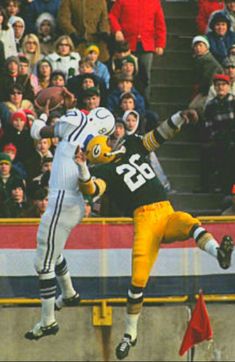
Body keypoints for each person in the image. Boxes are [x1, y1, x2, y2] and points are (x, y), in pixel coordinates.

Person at [74, 108, 234, 360]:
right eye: (107, 140)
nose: (113, 138)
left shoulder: (133, 145)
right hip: (144, 219)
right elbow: (91, 189)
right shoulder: (102, 171)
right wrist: (83, 168)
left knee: (190, 222)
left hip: (166, 210)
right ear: (100, 151)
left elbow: (159, 135)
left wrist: (180, 116)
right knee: (138, 278)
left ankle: (220, 254)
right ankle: (130, 334)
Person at [24, 88, 116, 340]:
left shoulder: (75, 119)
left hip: (61, 201)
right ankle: (69, 293)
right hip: (73, 203)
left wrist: (44, 114)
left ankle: (48, 320)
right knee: (55, 251)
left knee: (42, 262)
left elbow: (35, 132)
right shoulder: (95, 140)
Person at [109, 0, 166, 106]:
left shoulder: (154, 2)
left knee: (145, 77)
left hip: (146, 45)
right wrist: (117, 30)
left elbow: (160, 24)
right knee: (124, 75)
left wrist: (160, 44)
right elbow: (112, 16)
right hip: (127, 45)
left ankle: (144, 105)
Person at [189, 35, 223, 117]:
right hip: (204, 89)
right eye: (196, 46)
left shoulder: (208, 60)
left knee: (198, 107)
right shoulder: (199, 59)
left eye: (200, 45)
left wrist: (200, 89)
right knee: (192, 106)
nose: (198, 48)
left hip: (212, 89)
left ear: (206, 47)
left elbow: (208, 79)